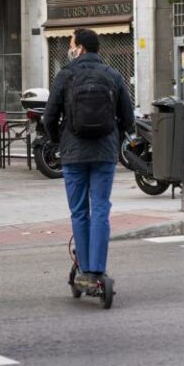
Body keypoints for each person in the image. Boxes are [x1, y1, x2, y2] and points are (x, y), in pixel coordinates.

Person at [43, 28, 134, 290]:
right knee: (101, 209)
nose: (70, 48)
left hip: (73, 154)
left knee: (79, 211)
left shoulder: (65, 75)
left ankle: (83, 267)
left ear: (80, 48)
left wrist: (58, 141)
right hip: (104, 153)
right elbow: (127, 118)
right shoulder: (113, 75)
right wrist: (114, 141)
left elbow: (49, 117)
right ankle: (97, 269)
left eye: (71, 44)